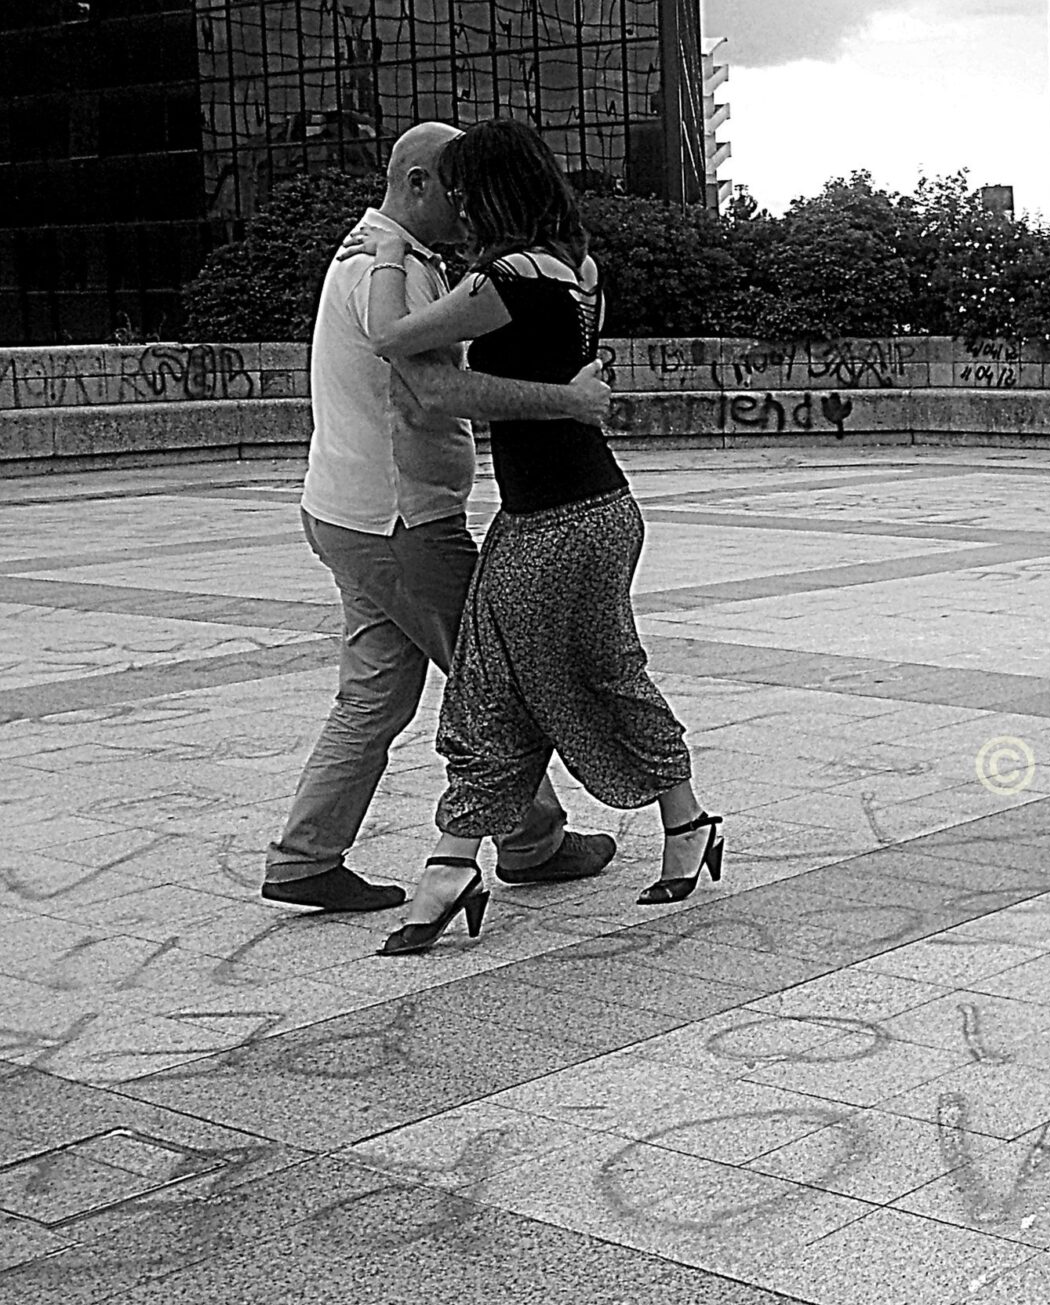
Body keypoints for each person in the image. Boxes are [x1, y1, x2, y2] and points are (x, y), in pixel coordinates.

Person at [360, 119, 723, 955]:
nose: (451, 201)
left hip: (550, 522)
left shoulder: (508, 273)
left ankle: (452, 866)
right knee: (595, 669)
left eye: (459, 187)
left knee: (494, 683)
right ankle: (685, 822)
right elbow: (538, 368)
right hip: (600, 508)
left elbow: (389, 337)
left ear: (482, 190)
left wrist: (386, 250)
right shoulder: (578, 268)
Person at [261, 123, 617, 913]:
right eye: (456, 190)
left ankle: (304, 856)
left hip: (349, 512)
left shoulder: (379, 255)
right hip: (402, 524)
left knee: (377, 695)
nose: (468, 207)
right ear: (419, 183)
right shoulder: (389, 270)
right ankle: (534, 842)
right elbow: (430, 390)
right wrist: (566, 400)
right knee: (497, 681)